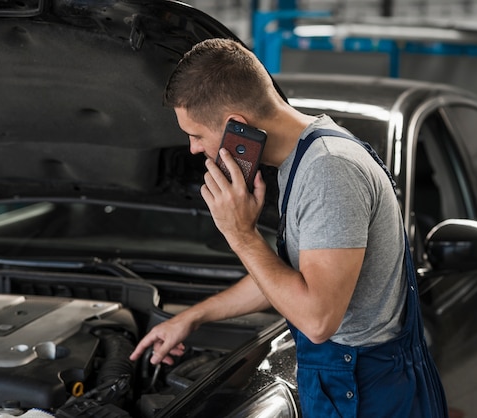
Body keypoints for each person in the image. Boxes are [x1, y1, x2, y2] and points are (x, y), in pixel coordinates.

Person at [129, 38, 448, 418]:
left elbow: (316, 319)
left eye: (196, 135)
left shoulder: (329, 171)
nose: (194, 148)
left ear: (237, 127)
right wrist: (193, 317)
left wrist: (241, 234)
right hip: (350, 388)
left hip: (367, 395)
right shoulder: (304, 160)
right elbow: (290, 279)